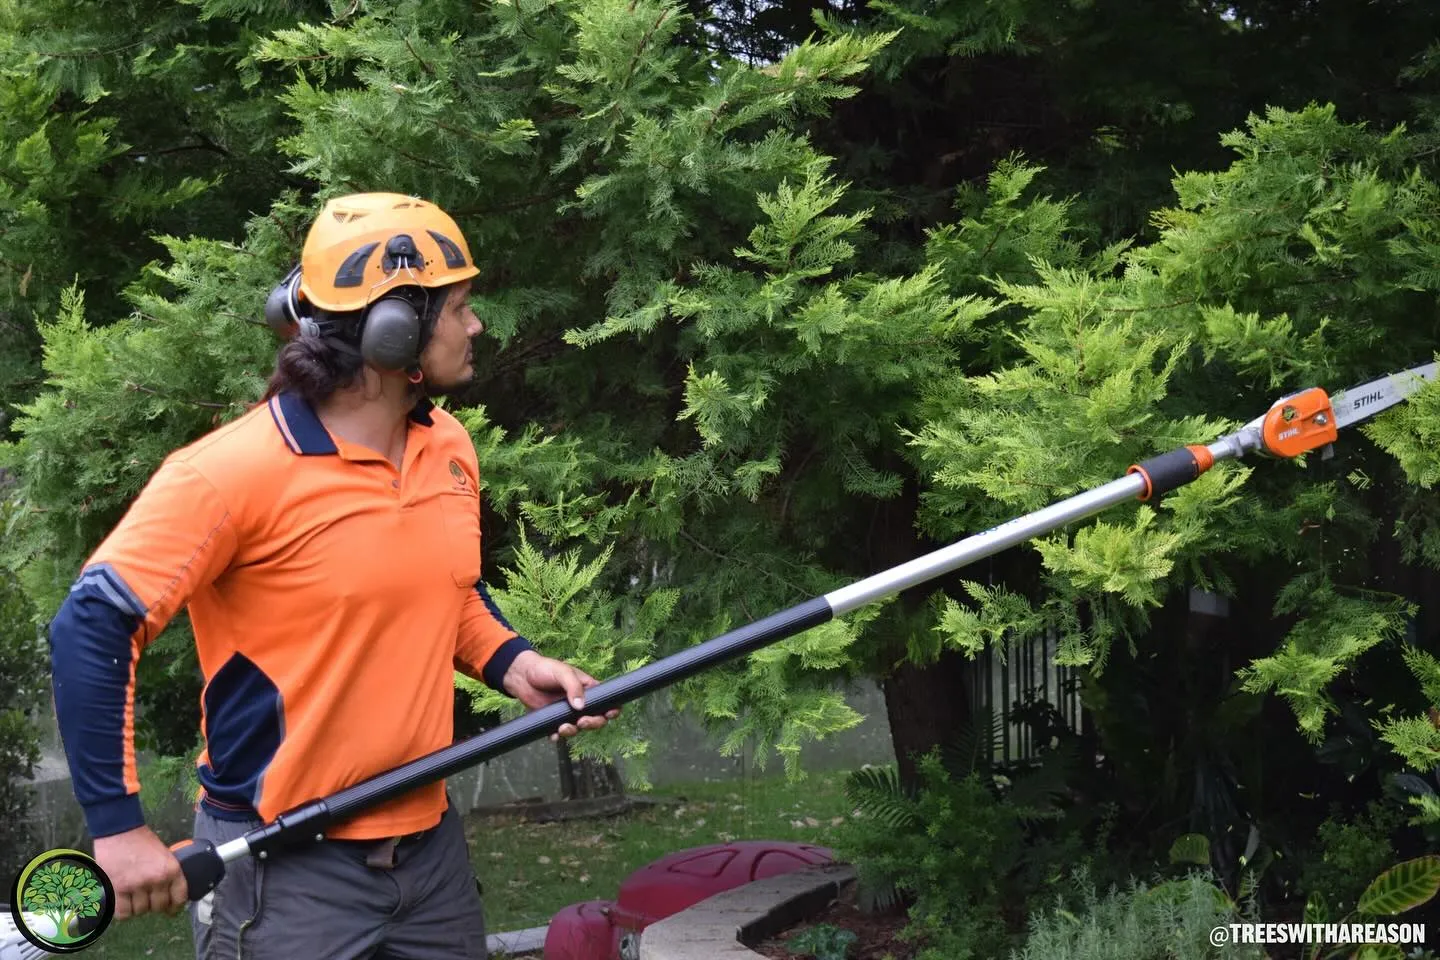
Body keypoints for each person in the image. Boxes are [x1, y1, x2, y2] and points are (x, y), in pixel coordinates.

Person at [45, 192, 618, 960]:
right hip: (283, 875)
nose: (476, 326)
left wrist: (514, 662)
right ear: (395, 328)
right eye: (460, 307)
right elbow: (91, 624)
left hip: (430, 860)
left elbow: (448, 589)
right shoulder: (230, 473)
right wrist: (118, 829)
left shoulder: (447, 445)